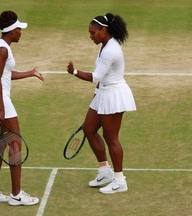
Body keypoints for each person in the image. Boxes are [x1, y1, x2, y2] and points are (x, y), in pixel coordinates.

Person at [0, 10, 44, 205]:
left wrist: (30, 73)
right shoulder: (3, 49)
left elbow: (4, 74)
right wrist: (2, 109)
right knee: (14, 144)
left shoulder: (0, 46)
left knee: (0, 144)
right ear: (11, 30)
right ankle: (16, 194)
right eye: (19, 30)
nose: (21, 32)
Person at [67, 13, 136, 194]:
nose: (90, 36)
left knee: (111, 138)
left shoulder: (110, 50)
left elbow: (96, 76)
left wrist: (74, 71)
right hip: (103, 93)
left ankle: (120, 181)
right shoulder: (104, 45)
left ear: (103, 31)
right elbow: (101, 78)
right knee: (89, 129)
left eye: (93, 33)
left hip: (114, 95)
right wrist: (97, 93)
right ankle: (105, 171)